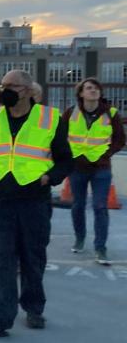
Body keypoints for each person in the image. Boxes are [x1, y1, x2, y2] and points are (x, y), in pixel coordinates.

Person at [0, 69, 73, 338]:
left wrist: (47, 179)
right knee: (2, 258)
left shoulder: (50, 118)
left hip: (34, 200)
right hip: (0, 200)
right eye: (3, 84)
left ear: (29, 91)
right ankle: (0, 317)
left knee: (32, 257)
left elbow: (65, 159)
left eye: (13, 86)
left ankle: (33, 307)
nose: (5, 90)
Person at [63, 77, 125, 265]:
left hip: (101, 168)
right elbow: (59, 137)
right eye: (89, 88)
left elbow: (120, 140)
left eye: (96, 88)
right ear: (81, 93)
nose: (93, 91)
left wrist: (105, 155)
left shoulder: (111, 114)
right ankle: (80, 238)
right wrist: (71, 157)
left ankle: (100, 248)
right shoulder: (70, 113)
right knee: (78, 205)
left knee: (100, 207)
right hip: (77, 168)